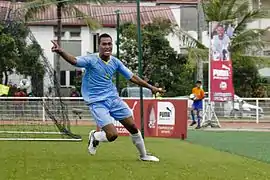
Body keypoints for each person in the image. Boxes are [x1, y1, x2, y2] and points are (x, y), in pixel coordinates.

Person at [51, 33, 165, 162]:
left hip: (113, 99)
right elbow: (74, 61)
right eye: (104, 44)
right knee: (112, 135)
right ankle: (95, 136)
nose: (107, 47)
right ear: (99, 46)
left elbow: (132, 77)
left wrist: (152, 88)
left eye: (109, 44)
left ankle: (144, 155)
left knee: (132, 127)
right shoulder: (91, 60)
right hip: (97, 102)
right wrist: (60, 51)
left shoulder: (115, 62)